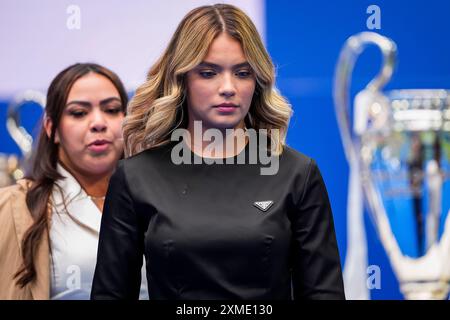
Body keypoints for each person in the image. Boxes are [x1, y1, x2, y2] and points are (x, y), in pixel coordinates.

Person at [91, 4, 345, 300]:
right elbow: (111, 295)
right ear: (182, 79)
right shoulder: (136, 177)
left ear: (257, 80)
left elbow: (324, 294)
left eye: (242, 72)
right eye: (209, 72)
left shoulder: (296, 174)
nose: (228, 87)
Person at [0, 63, 147, 299]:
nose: (99, 123)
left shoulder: (156, 197)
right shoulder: (12, 207)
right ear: (52, 128)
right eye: (79, 113)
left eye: (111, 110)